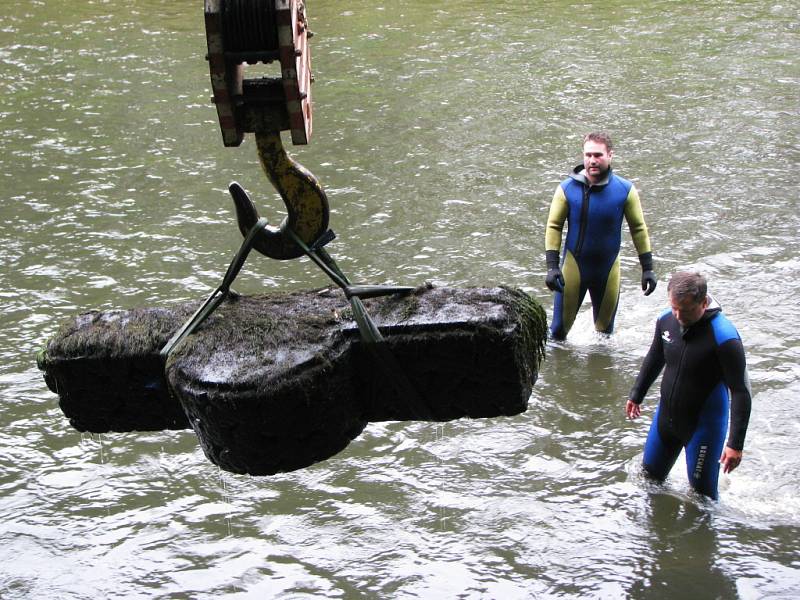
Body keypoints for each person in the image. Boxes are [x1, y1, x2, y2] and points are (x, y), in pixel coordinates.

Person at [626, 271, 752, 500]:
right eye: (674, 307)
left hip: (704, 427)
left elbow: (741, 392)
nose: (678, 315)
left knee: (702, 500)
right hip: (665, 420)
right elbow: (655, 357)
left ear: (703, 303)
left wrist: (735, 444)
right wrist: (637, 394)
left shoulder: (724, 338)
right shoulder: (666, 320)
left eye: (684, 310)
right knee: (649, 480)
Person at [544, 132, 656, 339]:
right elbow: (554, 226)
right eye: (588, 155)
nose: (592, 160)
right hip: (573, 269)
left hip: (608, 269)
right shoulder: (567, 189)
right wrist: (551, 267)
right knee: (558, 333)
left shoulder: (625, 190)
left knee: (604, 337)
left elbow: (638, 228)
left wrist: (647, 269)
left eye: (598, 155)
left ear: (610, 155)